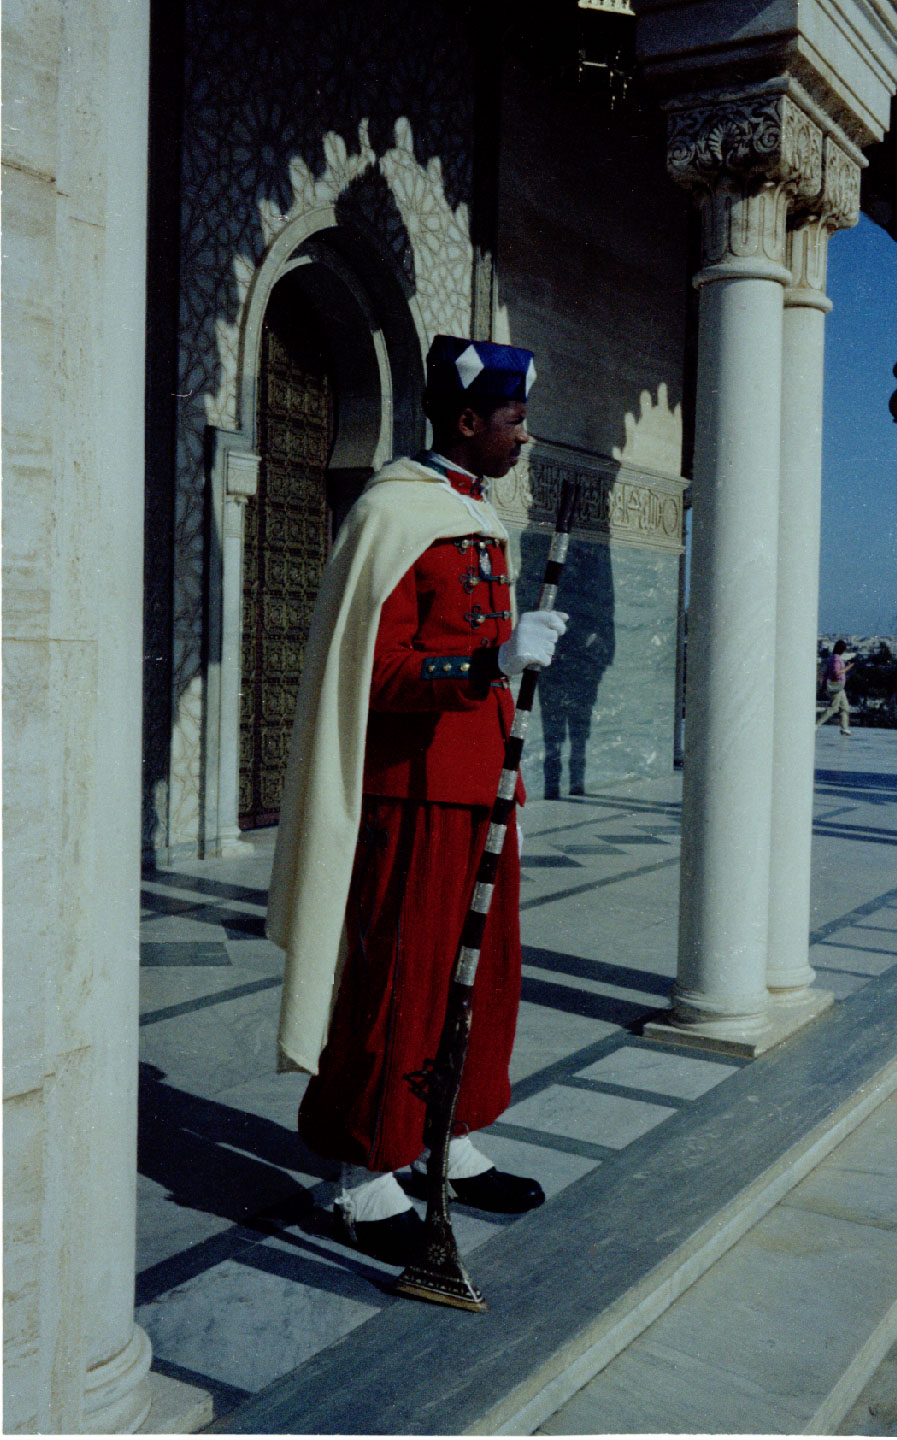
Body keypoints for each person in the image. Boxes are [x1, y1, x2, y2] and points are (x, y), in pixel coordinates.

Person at [266, 335, 568, 1266]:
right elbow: (379, 670)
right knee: (401, 979)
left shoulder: (475, 512)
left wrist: (514, 665)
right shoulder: (394, 514)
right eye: (513, 421)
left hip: (481, 789)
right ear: (469, 421)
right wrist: (491, 660)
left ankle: (448, 1134)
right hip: (414, 796)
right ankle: (362, 1172)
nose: (524, 436)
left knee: (480, 975)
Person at [816, 639, 855, 735]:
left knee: (844, 707)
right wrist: (847, 668)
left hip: (838, 686)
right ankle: (816, 724)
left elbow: (826, 673)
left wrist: (823, 686)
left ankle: (844, 728)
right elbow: (836, 672)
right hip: (836, 686)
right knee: (833, 707)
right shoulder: (836, 659)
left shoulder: (832, 658)